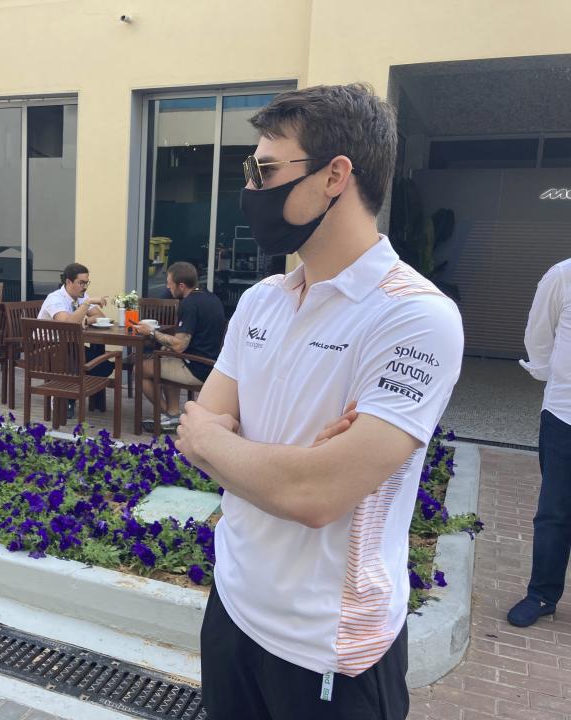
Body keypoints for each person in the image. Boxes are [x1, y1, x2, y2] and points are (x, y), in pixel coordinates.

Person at [174, 84, 464, 719]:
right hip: (232, 607)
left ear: (336, 176)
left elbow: (315, 498)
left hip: (330, 650)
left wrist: (234, 450)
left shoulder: (414, 317)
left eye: (267, 169)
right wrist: (284, 463)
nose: (251, 188)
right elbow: (195, 433)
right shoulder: (262, 300)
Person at [507, 258, 571, 627]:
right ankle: (542, 594)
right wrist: (555, 378)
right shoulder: (562, 276)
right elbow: (539, 337)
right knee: (555, 514)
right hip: (565, 415)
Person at [133, 261, 225, 431]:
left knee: (139, 369)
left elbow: (180, 345)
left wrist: (151, 332)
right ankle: (172, 412)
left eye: (170, 283)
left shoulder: (189, 304)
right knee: (165, 359)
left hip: (196, 367)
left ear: (181, 285)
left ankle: (169, 415)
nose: (168, 288)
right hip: (211, 363)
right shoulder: (211, 298)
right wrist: (167, 345)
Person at [38, 262, 113, 413]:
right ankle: (63, 396)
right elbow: (69, 324)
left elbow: (100, 316)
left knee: (104, 364)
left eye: (87, 282)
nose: (85, 287)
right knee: (94, 364)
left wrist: (84, 319)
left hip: (69, 345)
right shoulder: (55, 299)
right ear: (68, 282)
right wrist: (87, 304)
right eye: (81, 283)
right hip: (46, 349)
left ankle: (67, 396)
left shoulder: (81, 296)